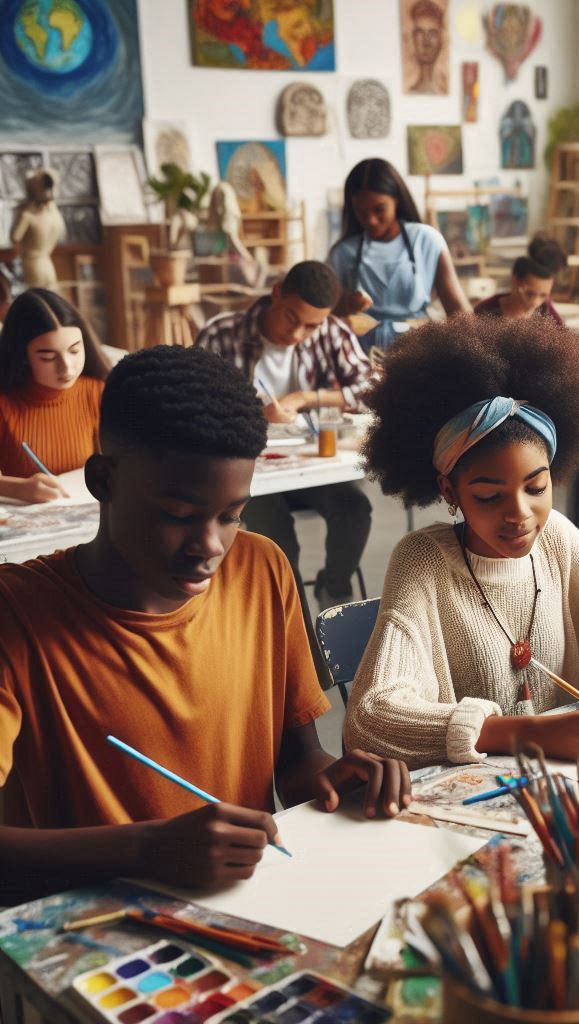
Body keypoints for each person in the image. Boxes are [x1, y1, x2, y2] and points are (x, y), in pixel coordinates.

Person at [0, 346, 409, 903]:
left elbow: (295, 760)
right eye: (178, 515)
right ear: (103, 480)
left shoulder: (260, 570)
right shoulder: (18, 614)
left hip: (248, 907)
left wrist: (329, 780)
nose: (210, 546)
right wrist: (146, 849)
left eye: (231, 515)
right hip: (97, 928)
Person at [343, 315, 579, 768]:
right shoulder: (423, 561)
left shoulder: (555, 539)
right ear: (450, 492)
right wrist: (527, 734)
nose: (520, 514)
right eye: (489, 496)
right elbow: (371, 717)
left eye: (536, 487)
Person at [196, 260, 372, 611]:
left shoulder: (331, 332)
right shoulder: (222, 334)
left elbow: (372, 388)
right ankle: (295, 620)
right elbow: (196, 410)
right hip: (252, 475)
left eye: (311, 326)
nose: (297, 334)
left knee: (354, 509)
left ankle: (333, 592)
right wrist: (256, 417)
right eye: (292, 318)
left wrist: (306, 398)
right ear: (277, 294)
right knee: (276, 539)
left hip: (310, 467)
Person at [327, 159, 471, 353]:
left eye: (379, 209)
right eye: (361, 212)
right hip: (361, 353)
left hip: (419, 350)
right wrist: (346, 305)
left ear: (397, 199)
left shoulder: (426, 240)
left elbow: (460, 312)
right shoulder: (343, 253)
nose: (371, 220)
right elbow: (324, 313)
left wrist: (473, 350)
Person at [0, 288, 109, 504]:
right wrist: (16, 488)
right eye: (48, 358)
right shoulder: (4, 405)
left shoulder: (97, 391)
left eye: (74, 351)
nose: (66, 367)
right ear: (22, 356)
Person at [474, 237, 567, 323]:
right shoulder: (485, 311)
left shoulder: (547, 313)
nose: (535, 303)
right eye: (529, 294)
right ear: (515, 279)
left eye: (543, 295)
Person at [10, 169, 65, 289]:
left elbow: (15, 238)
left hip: (33, 263)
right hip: (47, 263)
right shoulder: (55, 215)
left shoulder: (28, 215)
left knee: (39, 296)